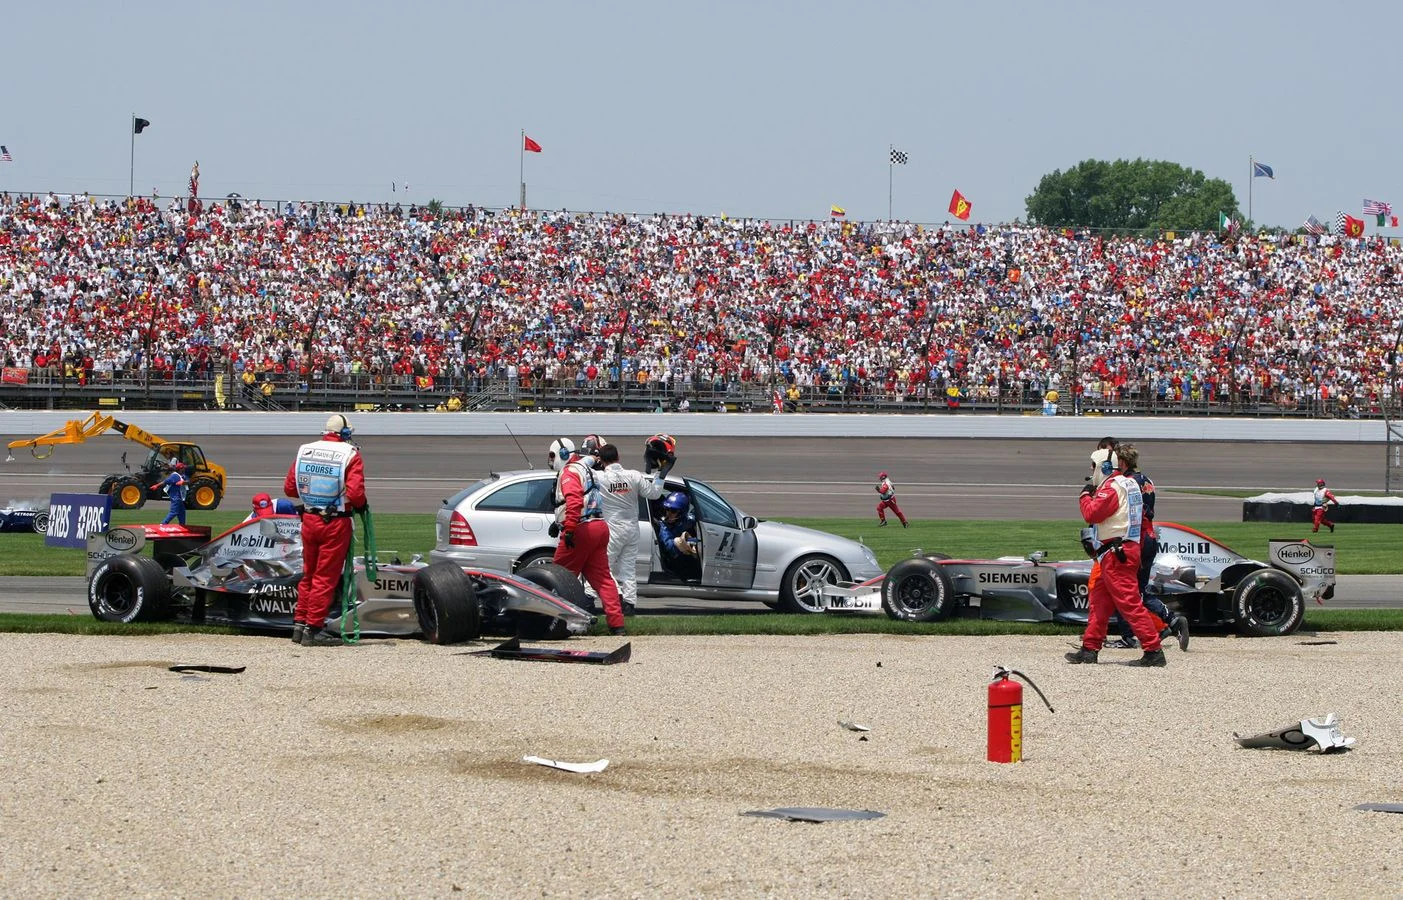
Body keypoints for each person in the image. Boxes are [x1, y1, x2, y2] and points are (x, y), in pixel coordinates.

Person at [1065, 444, 1166, 667]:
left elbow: (1092, 513)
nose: (1091, 470)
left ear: (1102, 466)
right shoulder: (1129, 482)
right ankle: (1089, 648)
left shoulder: (1111, 487)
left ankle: (1153, 650)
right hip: (1120, 549)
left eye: (1094, 466)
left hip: (1117, 552)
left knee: (1129, 603)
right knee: (1099, 603)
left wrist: (1084, 495)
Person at [284, 413, 367, 647]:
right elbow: (356, 494)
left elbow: (290, 488)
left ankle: (299, 625)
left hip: (309, 518)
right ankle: (314, 628)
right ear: (346, 433)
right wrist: (361, 507)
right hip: (335, 522)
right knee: (324, 577)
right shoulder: (351, 455)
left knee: (308, 574)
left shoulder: (305, 450)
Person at [1104, 444, 1190, 652]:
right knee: (1134, 589)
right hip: (1150, 535)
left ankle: (1161, 623)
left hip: (1135, 538)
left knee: (1127, 589)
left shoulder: (1126, 482)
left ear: (1122, 463)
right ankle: (1160, 627)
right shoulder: (1147, 479)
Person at [551, 440, 627, 635]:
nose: (551, 461)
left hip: (580, 529)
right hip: (600, 527)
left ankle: (557, 622)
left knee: (558, 579)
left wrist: (568, 529)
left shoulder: (570, 472)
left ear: (563, 454)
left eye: (552, 456)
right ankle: (617, 625)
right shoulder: (589, 470)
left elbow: (575, 500)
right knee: (603, 579)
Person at [596, 443, 667, 616]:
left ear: (601, 461)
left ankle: (612, 596)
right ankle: (629, 604)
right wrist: (662, 473)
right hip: (633, 530)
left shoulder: (599, 477)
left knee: (603, 568)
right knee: (628, 569)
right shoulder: (634, 476)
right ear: (618, 458)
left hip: (612, 530)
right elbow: (655, 494)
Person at [657, 491, 700, 579]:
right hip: (675, 562)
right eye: (667, 509)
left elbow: (699, 512)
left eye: (673, 511)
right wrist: (689, 541)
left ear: (681, 512)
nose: (668, 513)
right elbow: (670, 547)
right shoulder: (664, 527)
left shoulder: (687, 520)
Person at [152, 461, 188, 526]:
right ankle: (163, 524)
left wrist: (183, 483)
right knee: (174, 512)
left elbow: (188, 481)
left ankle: (182, 525)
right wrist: (156, 486)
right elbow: (165, 481)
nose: (184, 469)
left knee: (182, 512)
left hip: (180, 497)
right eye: (183, 468)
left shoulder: (182, 476)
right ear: (180, 469)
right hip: (175, 497)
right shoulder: (174, 476)